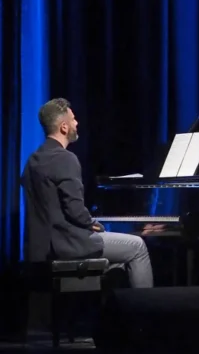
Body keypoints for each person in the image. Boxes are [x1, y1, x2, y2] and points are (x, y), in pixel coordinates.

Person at [21, 98, 154, 288]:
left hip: (39, 249)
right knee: (137, 246)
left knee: (119, 263)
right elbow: (75, 210)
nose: (77, 123)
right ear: (64, 127)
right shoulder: (65, 159)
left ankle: (113, 312)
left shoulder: (33, 161)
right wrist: (92, 223)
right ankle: (146, 312)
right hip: (68, 244)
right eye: (73, 119)